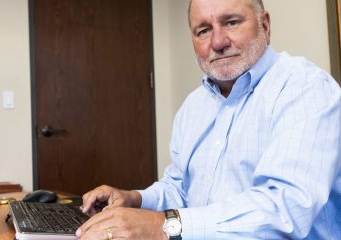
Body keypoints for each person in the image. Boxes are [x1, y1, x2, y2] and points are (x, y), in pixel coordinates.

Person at [76, 0, 341, 239]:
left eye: (232, 22)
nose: (218, 42)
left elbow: (286, 208)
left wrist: (163, 225)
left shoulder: (305, 88)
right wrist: (134, 199)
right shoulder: (194, 106)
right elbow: (180, 189)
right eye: (203, 30)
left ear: (265, 25)